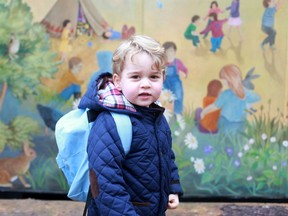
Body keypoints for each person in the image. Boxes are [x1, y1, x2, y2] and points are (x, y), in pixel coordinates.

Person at [78, 35, 183, 215]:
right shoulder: (111, 122)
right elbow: (105, 183)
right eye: (135, 77)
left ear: (163, 78)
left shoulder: (156, 116)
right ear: (118, 81)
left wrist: (171, 188)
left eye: (153, 77)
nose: (145, 84)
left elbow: (166, 156)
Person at [200, 64, 260, 134]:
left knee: (233, 141)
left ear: (230, 79)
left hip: (236, 124)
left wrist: (204, 112)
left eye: (224, 79)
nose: (223, 82)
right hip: (227, 122)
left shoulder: (232, 93)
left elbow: (257, 97)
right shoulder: (227, 94)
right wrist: (204, 111)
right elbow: (215, 106)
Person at [162, 41, 188, 120]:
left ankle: (178, 113)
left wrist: (184, 74)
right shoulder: (162, 63)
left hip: (176, 83)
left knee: (178, 96)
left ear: (175, 51)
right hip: (165, 83)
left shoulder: (177, 62)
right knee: (167, 98)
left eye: (171, 51)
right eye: (166, 51)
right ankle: (169, 115)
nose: (169, 53)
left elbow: (185, 70)